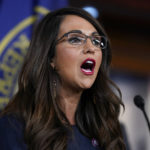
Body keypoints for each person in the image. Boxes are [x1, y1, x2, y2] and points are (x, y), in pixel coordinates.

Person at [0, 7, 126, 150]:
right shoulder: (14, 126)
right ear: (50, 57)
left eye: (96, 41)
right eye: (75, 39)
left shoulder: (107, 129)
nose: (91, 47)